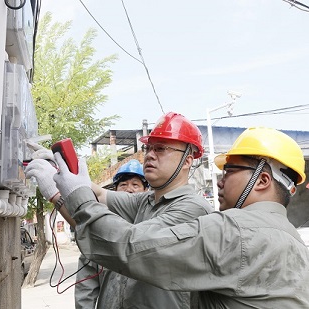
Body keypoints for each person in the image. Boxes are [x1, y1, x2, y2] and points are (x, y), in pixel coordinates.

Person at [50, 126, 309, 308]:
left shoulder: (231, 230)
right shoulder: (292, 239)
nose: (220, 181)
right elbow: (108, 200)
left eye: (229, 171)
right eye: (149, 148)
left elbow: (131, 249)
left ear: (262, 180)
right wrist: (71, 185)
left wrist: (72, 195)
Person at [25, 112, 213, 309]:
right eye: (148, 147)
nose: (149, 154)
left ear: (187, 161)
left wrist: (56, 195)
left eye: (160, 149)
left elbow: (127, 247)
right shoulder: (146, 201)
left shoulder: (192, 210)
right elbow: (96, 197)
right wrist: (60, 172)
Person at [74, 159, 148, 309]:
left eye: (135, 185)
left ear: (146, 191)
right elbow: (86, 283)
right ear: (114, 191)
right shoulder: (101, 229)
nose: (129, 189)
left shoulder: (152, 226)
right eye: (123, 185)